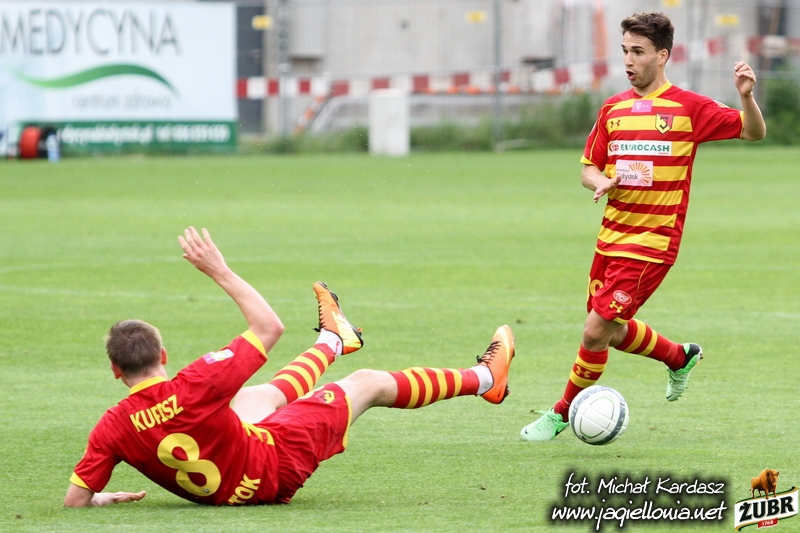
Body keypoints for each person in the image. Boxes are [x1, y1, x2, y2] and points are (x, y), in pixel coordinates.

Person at [64, 227, 515, 507]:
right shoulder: (195, 384)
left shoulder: (111, 427)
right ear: (163, 356)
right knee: (365, 384)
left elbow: (75, 501)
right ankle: (484, 380)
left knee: (252, 398)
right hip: (272, 466)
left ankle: (334, 339)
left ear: (115, 370)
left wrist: (100, 498)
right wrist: (218, 270)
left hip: (232, 476)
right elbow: (269, 327)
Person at [520, 11, 766, 442]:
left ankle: (561, 414)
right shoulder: (613, 109)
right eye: (625, 51)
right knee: (612, 331)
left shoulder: (689, 108)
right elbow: (588, 167)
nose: (628, 60)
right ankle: (679, 357)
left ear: (662, 56)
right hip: (611, 237)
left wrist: (746, 97)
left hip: (653, 241)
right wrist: (600, 182)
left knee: (595, 331)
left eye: (638, 52)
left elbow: (753, 132)